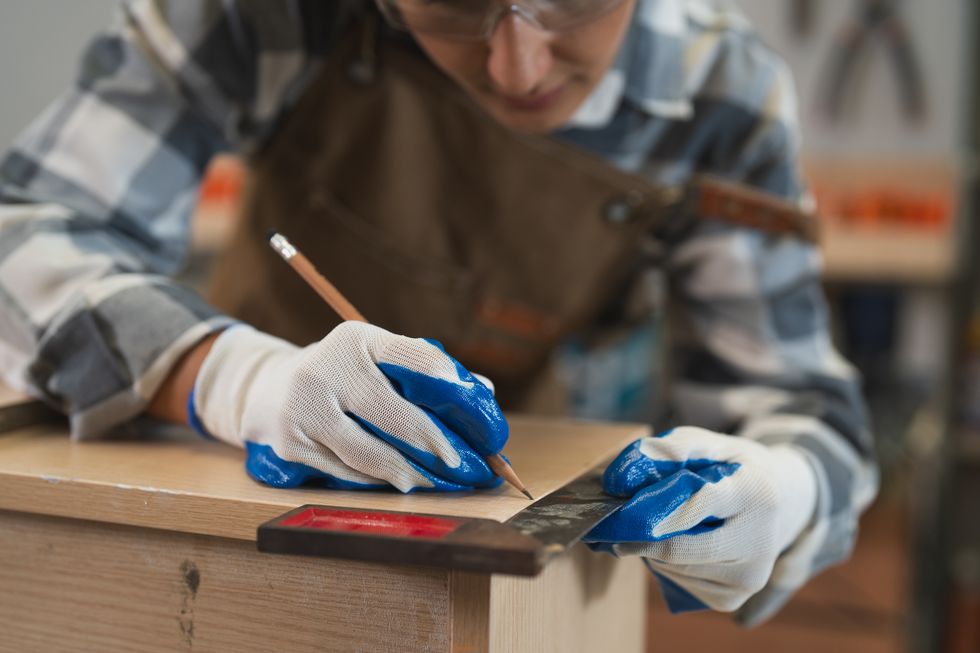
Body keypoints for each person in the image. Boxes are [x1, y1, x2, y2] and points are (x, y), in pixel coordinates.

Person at [0, 0, 877, 626]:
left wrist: (786, 491)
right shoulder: (265, 15)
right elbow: (25, 236)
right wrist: (239, 381)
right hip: (228, 506)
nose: (517, 66)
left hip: (491, 539)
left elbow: (805, 413)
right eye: (454, 7)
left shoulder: (725, 96)